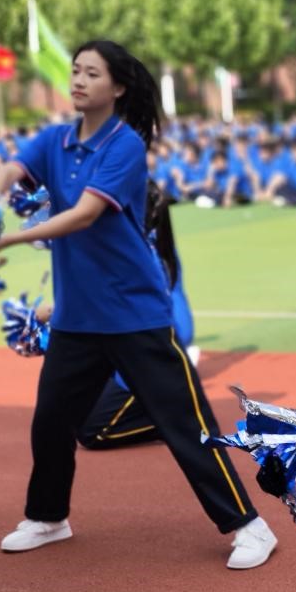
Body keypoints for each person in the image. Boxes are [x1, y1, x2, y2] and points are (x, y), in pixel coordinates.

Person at [0, 39, 276, 569]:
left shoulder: (125, 146)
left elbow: (84, 214)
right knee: (51, 422)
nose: (78, 80)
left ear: (117, 87)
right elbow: (10, 171)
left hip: (134, 312)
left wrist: (6, 240)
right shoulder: (53, 140)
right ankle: (48, 517)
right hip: (78, 317)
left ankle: (249, 526)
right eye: (75, 71)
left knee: (186, 426)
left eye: (92, 73)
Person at [77, 181, 199, 448]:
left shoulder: (141, 255)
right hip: (142, 358)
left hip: (148, 364)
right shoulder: (153, 244)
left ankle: (169, 418)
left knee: (90, 432)